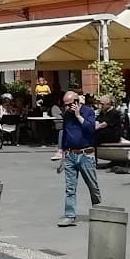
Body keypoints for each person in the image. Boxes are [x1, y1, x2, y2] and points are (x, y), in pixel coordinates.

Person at [56, 91, 100, 228]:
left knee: (92, 185)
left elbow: (90, 129)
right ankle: (69, 215)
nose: (67, 108)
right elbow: (65, 133)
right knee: (70, 188)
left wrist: (78, 116)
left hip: (85, 154)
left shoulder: (88, 111)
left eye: (70, 105)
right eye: (65, 105)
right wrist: (62, 152)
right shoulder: (67, 115)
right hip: (70, 155)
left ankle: (98, 210)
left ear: (76, 102)